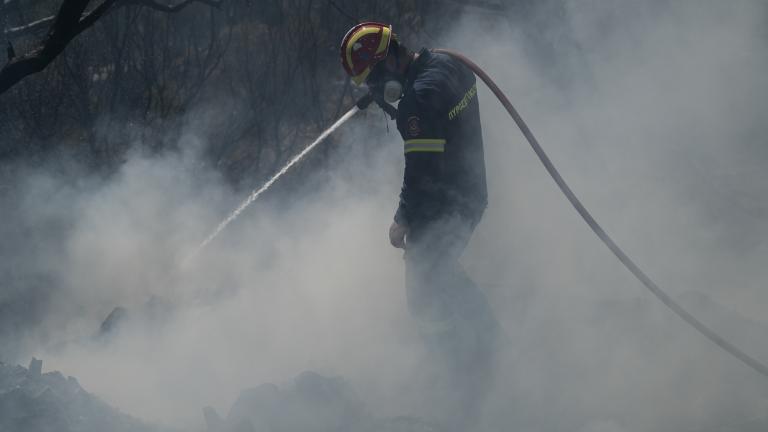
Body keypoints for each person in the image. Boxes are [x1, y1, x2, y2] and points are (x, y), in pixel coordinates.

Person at [340, 22, 501, 430]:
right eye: (370, 81)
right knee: (440, 276)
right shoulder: (447, 65)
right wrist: (392, 100)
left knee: (425, 289)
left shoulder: (418, 99)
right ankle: (481, 343)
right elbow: (433, 125)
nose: (376, 85)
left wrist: (401, 219)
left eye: (377, 76)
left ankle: (466, 369)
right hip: (469, 193)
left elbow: (421, 169)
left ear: (392, 57)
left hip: (443, 204)